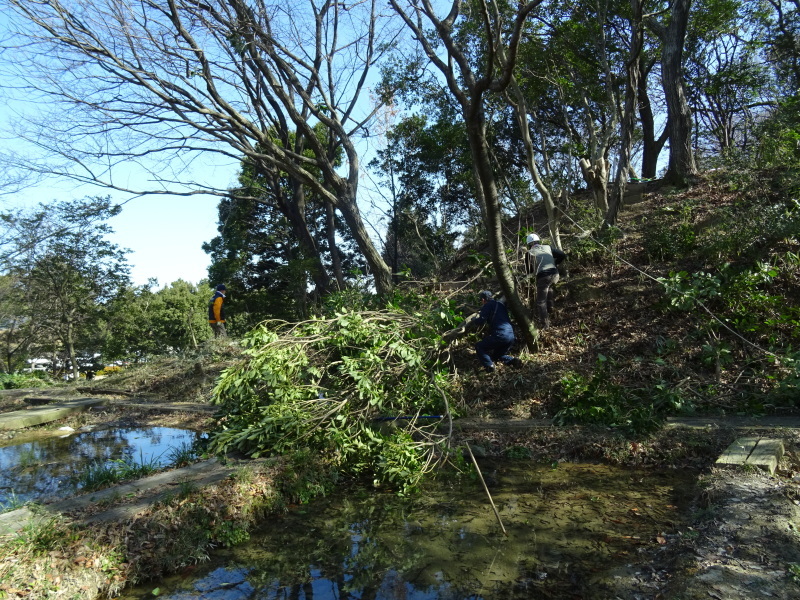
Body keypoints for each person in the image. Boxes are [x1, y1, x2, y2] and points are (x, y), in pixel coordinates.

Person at [473, 290, 522, 373]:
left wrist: (474, 320)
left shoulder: (487, 305)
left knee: (479, 346)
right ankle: (513, 361)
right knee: (497, 356)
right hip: (511, 335)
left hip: (500, 334)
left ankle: (489, 366)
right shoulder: (501, 305)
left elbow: (481, 321)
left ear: (483, 300)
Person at [525, 233, 567, 329]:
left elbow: (529, 272)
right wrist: (554, 262)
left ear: (529, 244)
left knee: (540, 302)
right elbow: (562, 255)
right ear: (539, 241)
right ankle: (551, 309)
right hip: (555, 275)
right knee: (549, 288)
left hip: (544, 277)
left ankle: (545, 325)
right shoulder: (548, 247)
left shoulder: (529, 253)